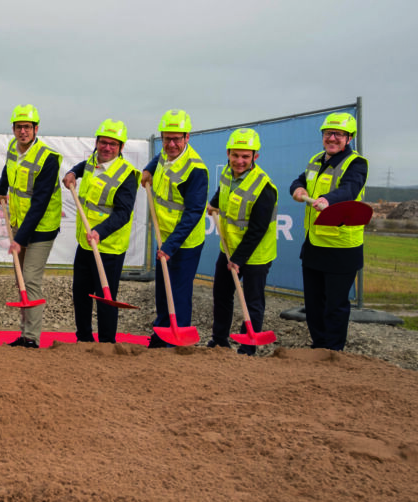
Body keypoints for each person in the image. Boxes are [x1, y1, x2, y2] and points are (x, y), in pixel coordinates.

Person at [290, 113, 368, 351]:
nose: (332, 138)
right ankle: (319, 346)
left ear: (349, 138)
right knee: (314, 303)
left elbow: (350, 189)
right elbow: (299, 180)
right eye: (328, 134)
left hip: (342, 247)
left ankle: (333, 352)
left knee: (335, 304)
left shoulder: (356, 163)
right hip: (314, 244)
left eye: (339, 134)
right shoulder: (315, 159)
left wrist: (328, 199)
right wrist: (298, 189)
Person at [62, 119, 139, 344]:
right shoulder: (93, 161)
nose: (106, 148)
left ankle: (107, 343)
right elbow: (83, 166)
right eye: (103, 143)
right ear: (96, 143)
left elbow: (123, 213)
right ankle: (84, 339)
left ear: (121, 147)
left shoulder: (127, 175)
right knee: (81, 293)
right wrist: (72, 173)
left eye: (113, 144)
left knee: (106, 297)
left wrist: (100, 231)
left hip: (109, 247)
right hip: (85, 243)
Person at [0, 104, 62, 349]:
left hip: (42, 227)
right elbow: (9, 167)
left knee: (31, 279)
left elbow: (40, 202)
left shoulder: (48, 158)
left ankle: (32, 337)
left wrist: (20, 238)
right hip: (20, 223)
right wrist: (2, 189)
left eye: (27, 127)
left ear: (36, 129)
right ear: (13, 129)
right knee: (21, 280)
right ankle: (23, 334)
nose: (23, 131)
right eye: (19, 127)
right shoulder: (14, 147)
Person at [206, 128, 278, 356]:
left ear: (255, 157)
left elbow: (258, 229)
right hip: (228, 248)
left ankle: (248, 346)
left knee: (252, 301)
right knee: (221, 295)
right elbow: (224, 192)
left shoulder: (264, 187)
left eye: (245, 157)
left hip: (255, 254)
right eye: (235, 155)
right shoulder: (227, 173)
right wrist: (214, 203)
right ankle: (219, 341)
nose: (239, 161)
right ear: (228, 153)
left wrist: (239, 259)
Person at [140, 109, 208, 348]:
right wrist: (148, 169)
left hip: (184, 242)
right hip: (164, 237)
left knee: (177, 292)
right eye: (167, 138)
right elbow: (159, 158)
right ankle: (161, 335)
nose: (171, 144)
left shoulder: (195, 170)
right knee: (162, 290)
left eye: (177, 139)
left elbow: (193, 214)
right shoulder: (165, 155)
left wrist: (170, 246)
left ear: (187, 137)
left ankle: (176, 342)